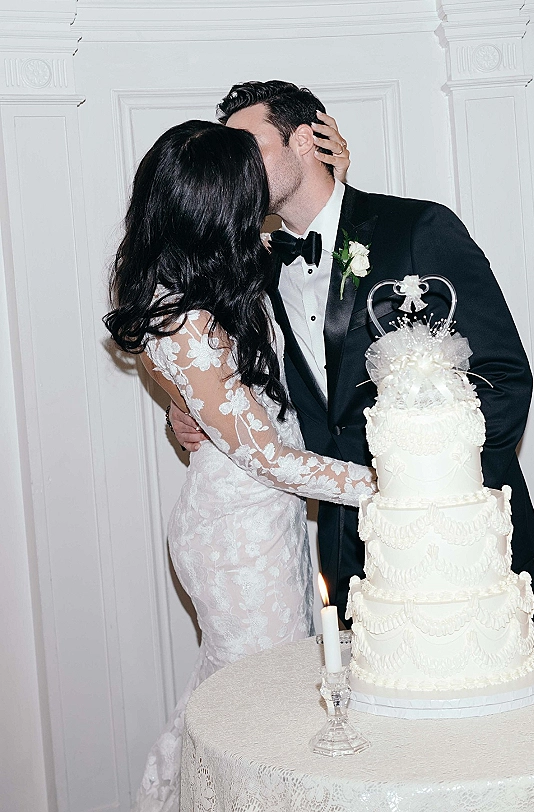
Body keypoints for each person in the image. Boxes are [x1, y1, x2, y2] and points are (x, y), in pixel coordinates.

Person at [171, 79, 534, 625]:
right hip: (350, 547)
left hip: (460, 535)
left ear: (303, 140)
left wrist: (427, 486)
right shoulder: (252, 273)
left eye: (246, 148)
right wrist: (188, 412)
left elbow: (504, 378)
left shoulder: (418, 228)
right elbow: (229, 377)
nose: (234, 167)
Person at [104, 119, 374, 812]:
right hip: (236, 539)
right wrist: (384, 486)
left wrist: (182, 408)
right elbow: (268, 455)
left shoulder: (207, 274)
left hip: (267, 521)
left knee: (249, 697)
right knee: (257, 714)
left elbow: (232, 395)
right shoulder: (181, 313)